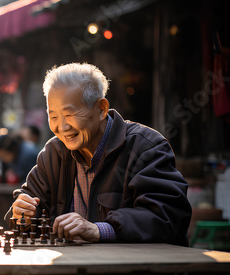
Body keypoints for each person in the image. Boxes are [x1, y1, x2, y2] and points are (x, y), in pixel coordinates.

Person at [10, 63, 191, 246]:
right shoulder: (54, 153)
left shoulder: (146, 147)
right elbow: (28, 206)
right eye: (53, 116)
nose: (62, 127)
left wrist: (98, 230)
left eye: (70, 114)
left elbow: (168, 217)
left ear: (101, 109)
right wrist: (22, 213)